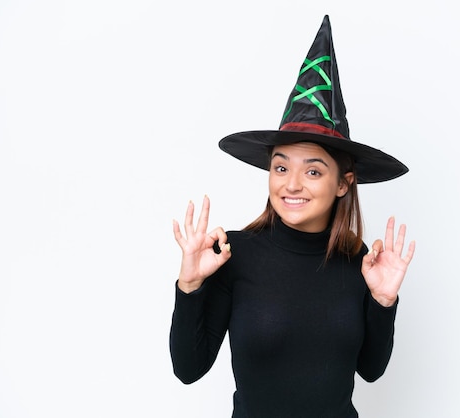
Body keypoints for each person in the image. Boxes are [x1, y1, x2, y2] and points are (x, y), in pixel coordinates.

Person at [169, 15, 415, 417]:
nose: (291, 184)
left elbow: (371, 371)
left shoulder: (360, 260)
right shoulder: (233, 253)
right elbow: (188, 369)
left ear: (343, 183)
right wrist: (190, 285)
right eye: (281, 167)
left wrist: (383, 301)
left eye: (313, 171)